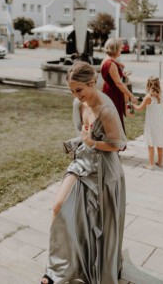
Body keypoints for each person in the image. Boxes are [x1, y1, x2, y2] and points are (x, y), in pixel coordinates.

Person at [41, 61, 127, 284]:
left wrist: (92, 142)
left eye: (79, 90)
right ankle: (57, 269)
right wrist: (83, 141)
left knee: (96, 225)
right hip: (82, 164)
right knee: (59, 205)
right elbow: (83, 134)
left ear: (92, 82)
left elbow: (117, 145)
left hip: (104, 171)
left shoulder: (106, 110)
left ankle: (91, 267)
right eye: (71, 90)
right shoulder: (77, 104)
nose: (76, 95)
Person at [133, 76, 163, 170]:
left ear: (148, 85)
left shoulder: (148, 97)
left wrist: (132, 104)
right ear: (159, 85)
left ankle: (151, 164)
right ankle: (160, 162)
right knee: (159, 143)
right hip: (160, 122)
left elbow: (139, 108)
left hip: (151, 123)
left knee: (151, 144)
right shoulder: (162, 96)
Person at [101, 37, 138, 130]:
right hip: (113, 94)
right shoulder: (111, 63)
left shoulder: (106, 60)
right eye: (120, 47)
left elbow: (110, 77)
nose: (122, 49)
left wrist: (121, 73)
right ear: (115, 48)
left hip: (108, 91)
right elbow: (118, 83)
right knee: (115, 122)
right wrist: (131, 96)